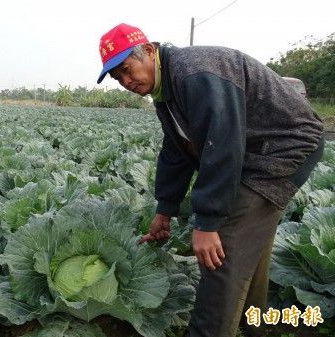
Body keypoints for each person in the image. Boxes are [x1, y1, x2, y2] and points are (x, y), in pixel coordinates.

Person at [96, 23, 324, 337]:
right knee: (248, 244)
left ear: (149, 51)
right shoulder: (168, 88)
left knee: (220, 252)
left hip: (283, 149)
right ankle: (256, 326)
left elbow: (222, 143)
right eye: (117, 77)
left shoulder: (193, 73)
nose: (125, 81)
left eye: (126, 69)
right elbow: (177, 151)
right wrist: (165, 208)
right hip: (254, 153)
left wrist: (207, 223)